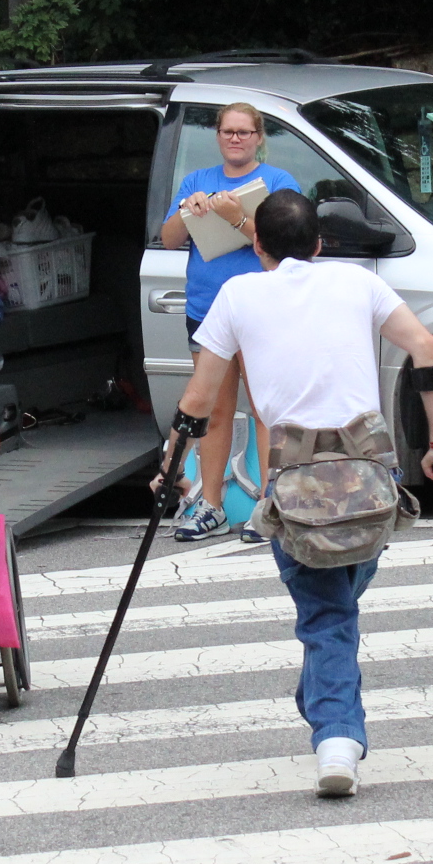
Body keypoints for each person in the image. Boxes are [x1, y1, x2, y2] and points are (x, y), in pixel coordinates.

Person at [169, 189, 433, 798]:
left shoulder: (238, 294)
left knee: (327, 616)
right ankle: (326, 696)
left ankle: (336, 736)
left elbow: (199, 399)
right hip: (371, 480)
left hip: (294, 483)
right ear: (320, 245)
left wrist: (173, 462)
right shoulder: (357, 282)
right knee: (335, 609)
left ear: (257, 245)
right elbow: (428, 350)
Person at [158, 103, 301, 541]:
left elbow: (284, 240)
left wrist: (235, 217)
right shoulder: (196, 180)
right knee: (214, 413)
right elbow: (168, 238)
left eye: (244, 132)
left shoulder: (277, 182)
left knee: (265, 411)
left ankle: (268, 503)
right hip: (208, 310)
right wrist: (189, 211)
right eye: (227, 131)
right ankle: (212, 504)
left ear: (259, 137)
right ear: (217, 136)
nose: (235, 139)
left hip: (263, 310)